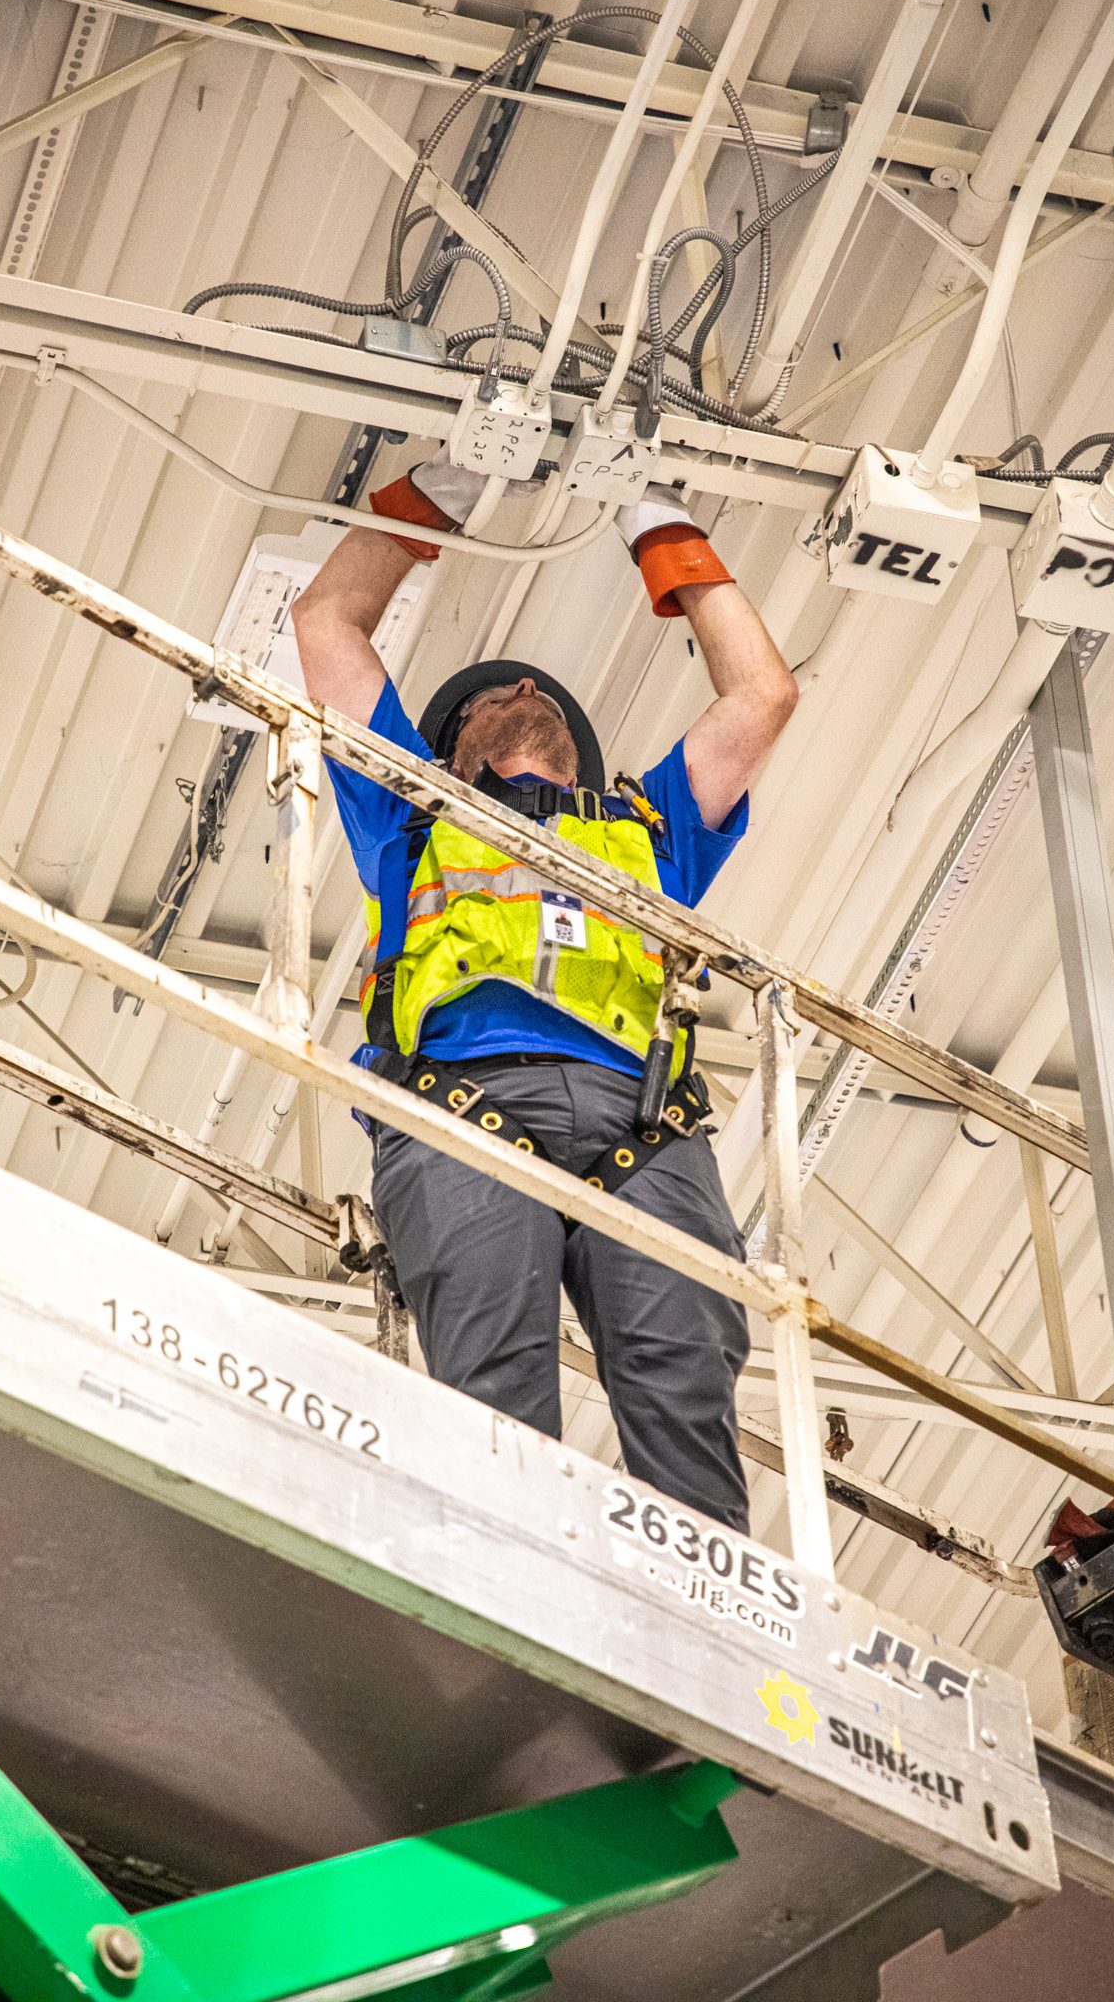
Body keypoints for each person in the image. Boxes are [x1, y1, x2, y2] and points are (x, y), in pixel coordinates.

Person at [291, 449, 798, 1535]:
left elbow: (762, 693)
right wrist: (444, 489)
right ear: (445, 744)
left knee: (688, 1411)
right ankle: (513, 1643)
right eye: (488, 695)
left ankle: (701, 1681)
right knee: (494, 1418)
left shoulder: (652, 826)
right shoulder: (409, 815)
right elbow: (328, 625)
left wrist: (654, 520)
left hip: (650, 1131)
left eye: (536, 690)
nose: (521, 687)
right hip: (464, 1110)